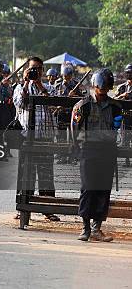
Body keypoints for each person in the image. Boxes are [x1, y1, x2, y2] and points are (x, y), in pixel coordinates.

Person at [71, 68, 122, 242]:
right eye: (101, 89)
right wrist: (76, 149)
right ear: (94, 86)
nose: (103, 93)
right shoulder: (83, 105)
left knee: (103, 190)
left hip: (107, 150)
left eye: (106, 89)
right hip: (88, 150)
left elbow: (118, 130)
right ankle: (85, 227)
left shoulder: (115, 107)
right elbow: (74, 129)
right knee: (88, 188)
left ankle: (96, 228)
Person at [13, 56, 60, 222]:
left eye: (39, 69)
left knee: (46, 175)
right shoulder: (20, 87)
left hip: (45, 138)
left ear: (43, 71)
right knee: (26, 175)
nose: (36, 71)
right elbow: (19, 103)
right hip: (27, 139)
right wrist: (26, 83)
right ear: (27, 69)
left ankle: (48, 209)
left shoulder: (50, 88)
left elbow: (55, 106)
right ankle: (23, 208)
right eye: (33, 68)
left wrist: (40, 86)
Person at [52, 64, 82, 164]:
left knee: (74, 136)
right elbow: (54, 96)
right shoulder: (57, 84)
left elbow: (82, 98)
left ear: (71, 75)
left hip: (73, 113)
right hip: (61, 112)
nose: (66, 77)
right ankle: (63, 156)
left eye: (68, 75)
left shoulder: (76, 84)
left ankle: (73, 157)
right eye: (64, 75)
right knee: (61, 136)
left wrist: (75, 95)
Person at [115, 63, 132, 167]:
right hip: (125, 116)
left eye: (131, 72)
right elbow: (114, 99)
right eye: (128, 73)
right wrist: (122, 95)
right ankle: (127, 160)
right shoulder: (121, 87)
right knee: (125, 138)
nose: (129, 74)